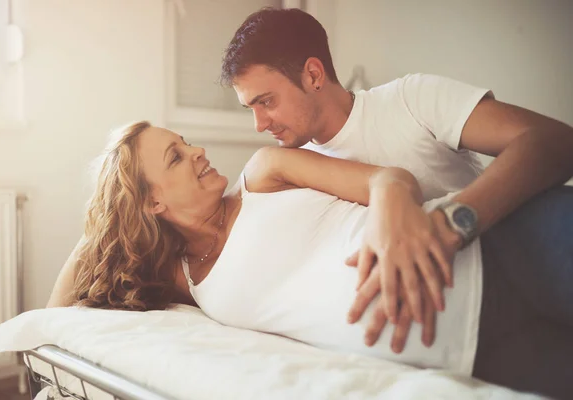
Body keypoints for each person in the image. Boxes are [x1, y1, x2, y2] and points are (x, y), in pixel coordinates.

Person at [48, 122, 573, 399]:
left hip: (508, 250)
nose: (198, 151)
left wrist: (392, 225)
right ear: (152, 202)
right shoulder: (183, 280)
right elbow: (59, 310)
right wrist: (105, 219)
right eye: (176, 157)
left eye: (185, 141)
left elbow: (390, 179)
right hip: (479, 353)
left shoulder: (264, 173)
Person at [220, 7, 573, 353]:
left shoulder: (410, 99)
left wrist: (449, 224)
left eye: (266, 101)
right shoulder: (296, 174)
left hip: (532, 245)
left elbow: (555, 142)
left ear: (313, 74)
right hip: (475, 324)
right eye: (250, 108)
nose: (259, 124)